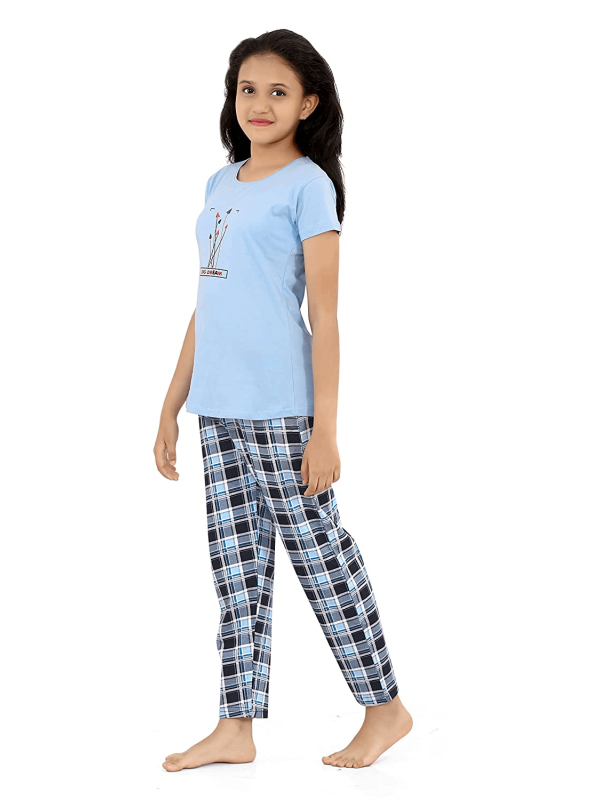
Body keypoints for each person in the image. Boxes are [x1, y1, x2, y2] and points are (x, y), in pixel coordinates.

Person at [155, 29, 413, 771]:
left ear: (309, 104)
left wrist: (325, 429)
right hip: (218, 409)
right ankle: (235, 726)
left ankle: (385, 709)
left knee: (321, 557)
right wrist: (170, 403)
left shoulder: (309, 186)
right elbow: (207, 303)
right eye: (248, 89)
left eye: (278, 91)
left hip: (281, 410)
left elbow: (325, 315)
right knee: (236, 571)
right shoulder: (219, 183)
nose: (259, 103)